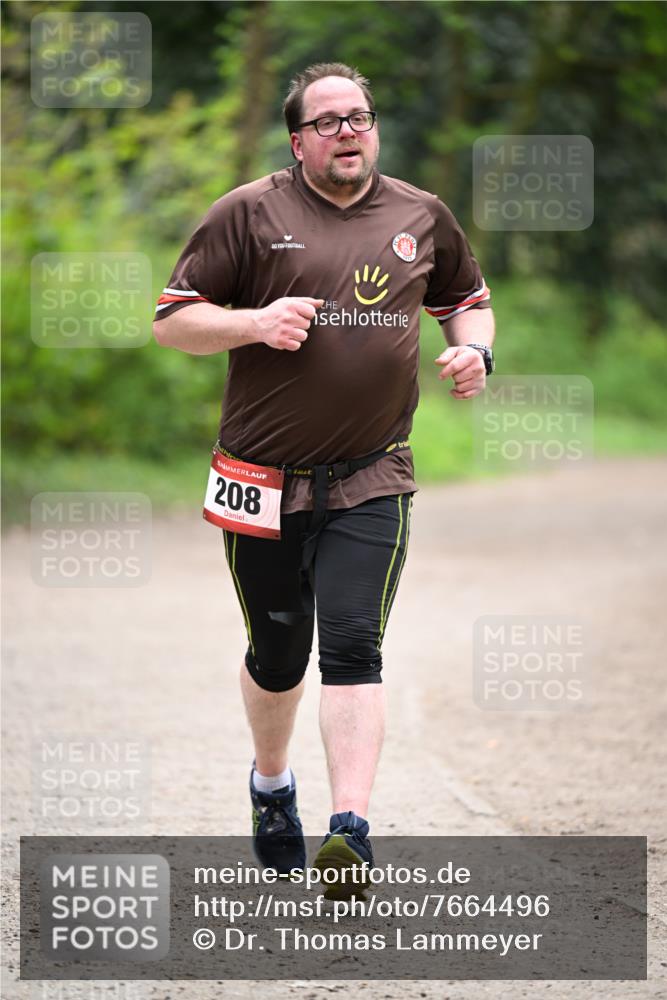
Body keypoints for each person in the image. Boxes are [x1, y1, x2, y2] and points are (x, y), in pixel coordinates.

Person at [153, 62, 494, 893]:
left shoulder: (421, 214)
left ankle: (350, 829)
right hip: (258, 477)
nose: (349, 130)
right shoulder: (247, 212)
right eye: (330, 119)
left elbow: (466, 298)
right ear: (299, 139)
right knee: (278, 655)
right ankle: (272, 787)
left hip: (372, 473)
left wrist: (474, 349)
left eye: (361, 116)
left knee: (352, 644)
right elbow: (174, 324)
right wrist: (252, 322)